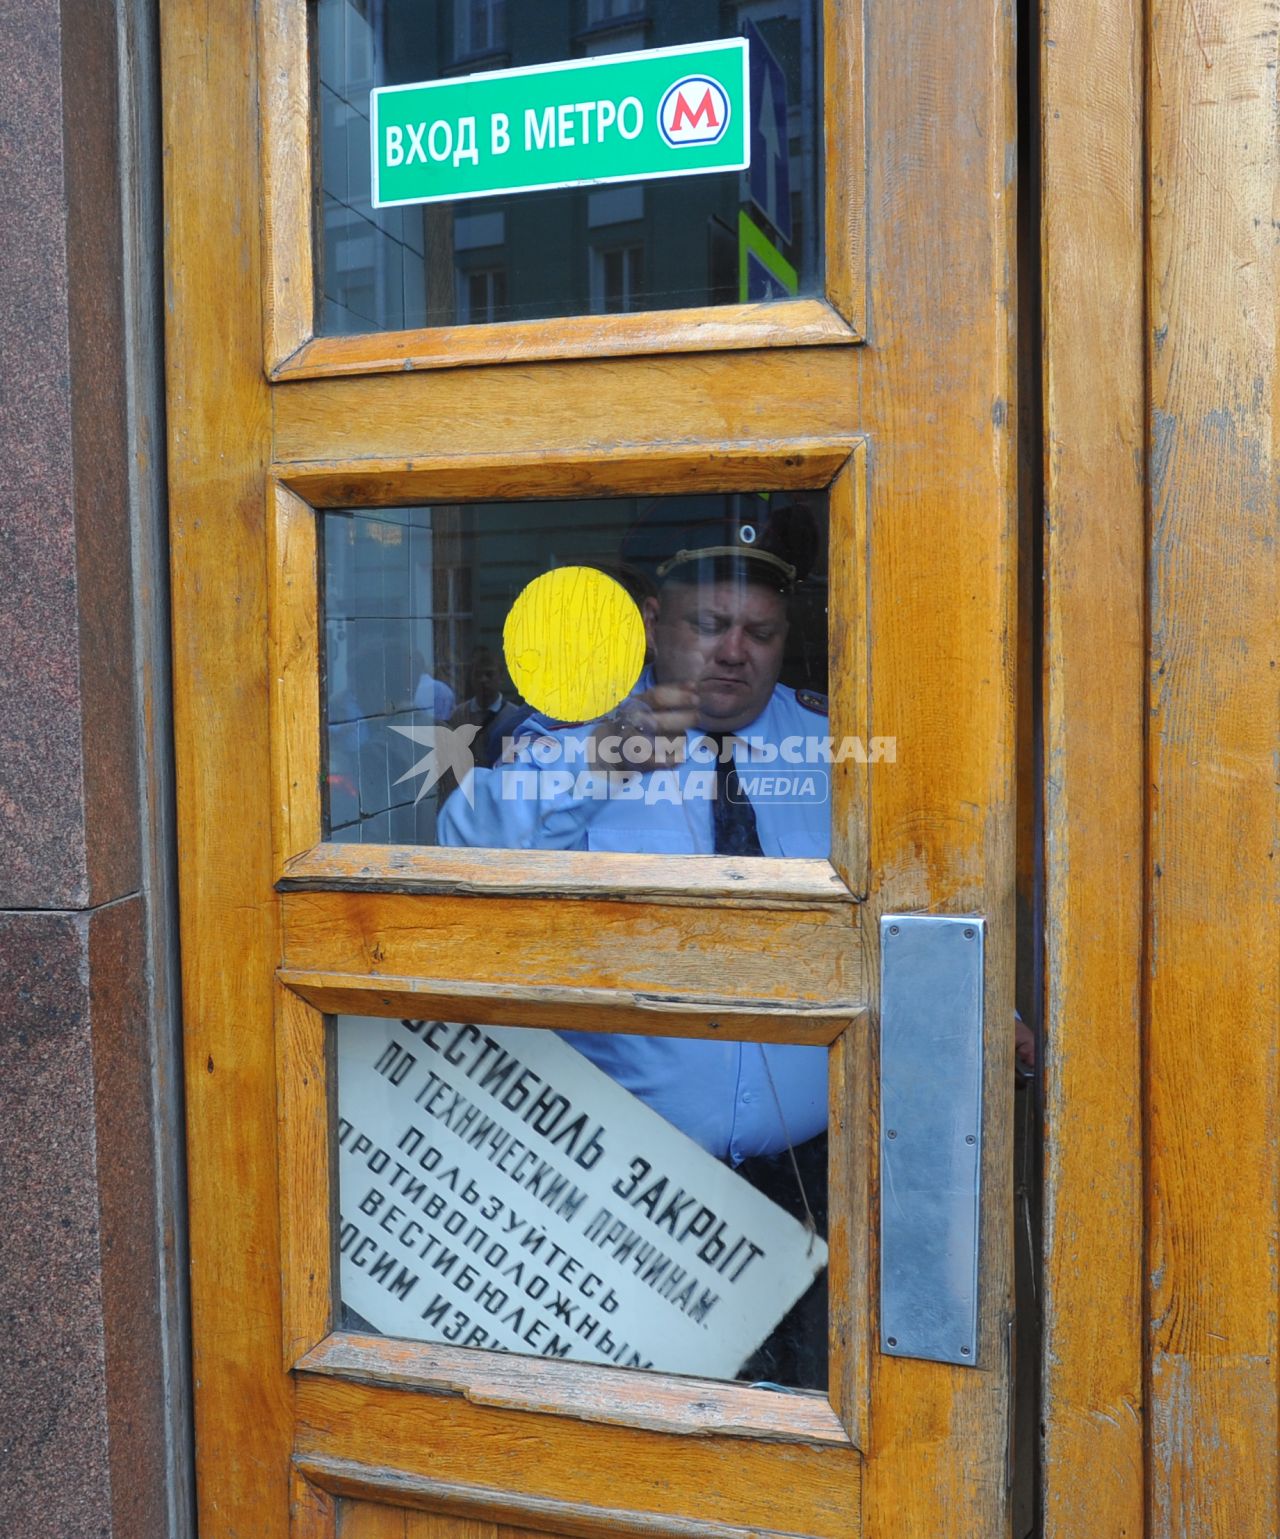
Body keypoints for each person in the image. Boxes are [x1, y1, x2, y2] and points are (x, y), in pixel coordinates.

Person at [439, 499, 832, 1166]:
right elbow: (464, 850)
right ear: (652, 623)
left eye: (761, 633)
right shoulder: (580, 734)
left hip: (812, 1171)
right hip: (620, 1177)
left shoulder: (831, 744)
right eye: (711, 624)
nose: (735, 652)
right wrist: (599, 760)